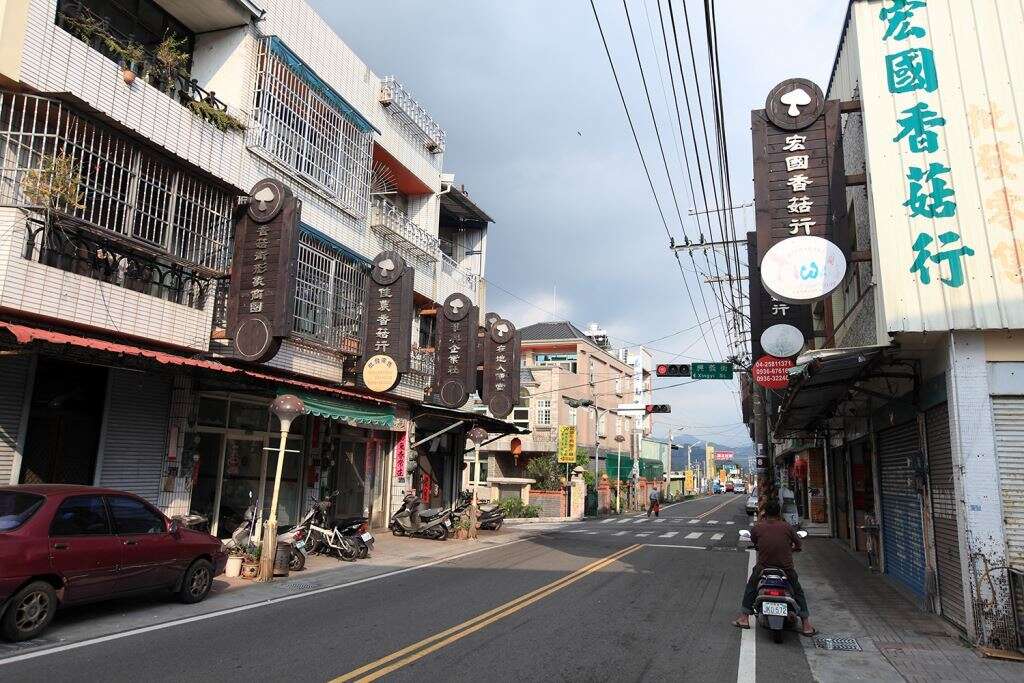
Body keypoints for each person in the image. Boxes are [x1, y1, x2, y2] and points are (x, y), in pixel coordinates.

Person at [732, 498, 815, 636]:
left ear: (765, 513)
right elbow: (798, 544)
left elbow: (754, 540)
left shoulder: (759, 527)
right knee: (798, 591)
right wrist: (793, 548)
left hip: (763, 567)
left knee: (751, 587)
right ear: (779, 513)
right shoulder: (787, 527)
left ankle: (744, 618)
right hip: (786, 568)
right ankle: (806, 625)